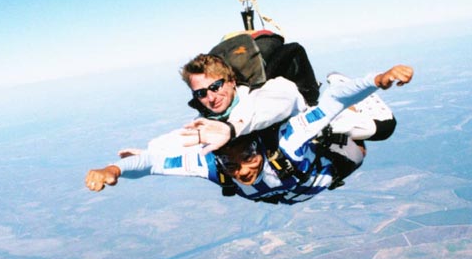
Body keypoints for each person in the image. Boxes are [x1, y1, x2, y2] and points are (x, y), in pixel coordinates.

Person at [85, 65, 413, 204]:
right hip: (308, 181)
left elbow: (333, 101)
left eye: (247, 158)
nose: (241, 170)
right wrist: (113, 170)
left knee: (379, 131)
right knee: (352, 154)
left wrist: (375, 79)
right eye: (231, 164)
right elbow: (154, 163)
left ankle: (344, 94)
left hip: (319, 151)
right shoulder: (210, 164)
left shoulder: (289, 139)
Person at [177, 51, 397, 154]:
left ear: (232, 82)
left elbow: (272, 106)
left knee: (382, 127)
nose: (211, 98)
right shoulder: (207, 121)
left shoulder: (264, 95)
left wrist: (232, 128)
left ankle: (339, 82)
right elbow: (176, 144)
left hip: (309, 119)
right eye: (201, 93)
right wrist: (144, 159)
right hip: (287, 138)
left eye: (215, 87)